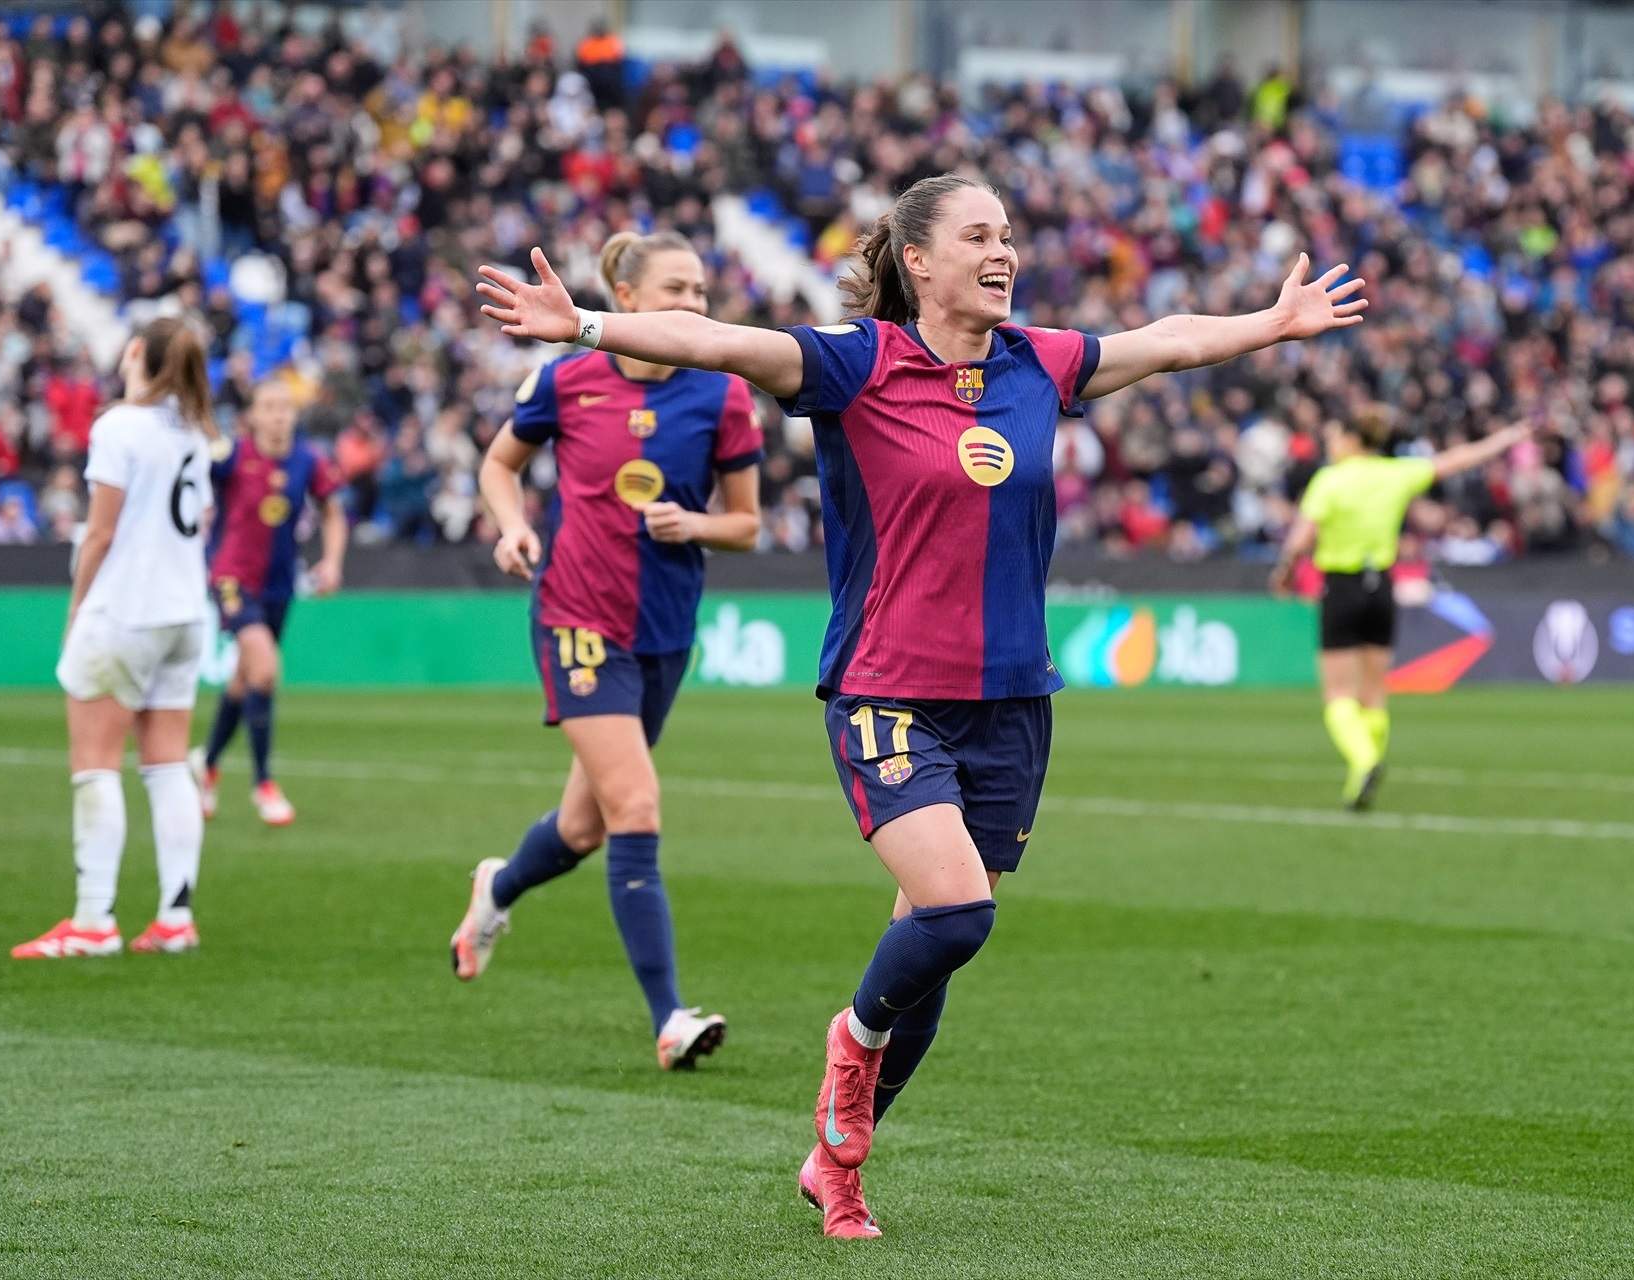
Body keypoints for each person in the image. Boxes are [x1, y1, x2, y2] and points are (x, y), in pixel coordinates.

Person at [474, 172, 1365, 1238]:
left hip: (1012, 699)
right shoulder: (859, 362)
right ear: (919, 261)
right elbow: (726, 346)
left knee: (938, 943)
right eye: (979, 235)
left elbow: (1166, 339)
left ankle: (837, 1161)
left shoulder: (1041, 361)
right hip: (887, 689)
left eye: (1010, 235)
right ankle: (849, 1041)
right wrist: (579, 321)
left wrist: (1271, 323)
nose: (1005, 252)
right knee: (956, 909)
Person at [450, 230, 764, 1073]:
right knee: (637, 808)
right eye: (676, 288)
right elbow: (498, 465)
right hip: (576, 618)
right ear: (623, 298)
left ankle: (498, 888)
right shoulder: (566, 375)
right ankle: (670, 1019)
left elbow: (747, 523)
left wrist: (694, 524)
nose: (694, 304)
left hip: (664, 630)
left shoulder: (723, 396)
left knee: (584, 827)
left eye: (701, 290)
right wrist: (514, 526)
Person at [12, 316, 220, 959]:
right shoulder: (194, 430)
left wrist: (77, 608)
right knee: (166, 765)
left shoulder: (119, 426)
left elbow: (99, 533)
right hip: (185, 612)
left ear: (135, 352)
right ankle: (174, 916)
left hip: (128, 609)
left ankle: (93, 920)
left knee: (95, 765)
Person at [1273, 410, 1529, 808]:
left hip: (1341, 586)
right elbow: (1457, 459)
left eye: (1336, 435)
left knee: (1338, 693)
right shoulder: (1396, 474)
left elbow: (1299, 538)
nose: (1331, 443)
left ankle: (1364, 760)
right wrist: (1505, 438)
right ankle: (1362, 776)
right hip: (1382, 588)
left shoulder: (1331, 480)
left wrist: (1285, 572)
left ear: (1353, 440)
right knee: (1374, 693)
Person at [190, 377, 347, 826]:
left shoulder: (307, 461)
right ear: (253, 415)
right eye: (269, 406)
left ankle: (208, 764)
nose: (278, 414)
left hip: (279, 587)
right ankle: (263, 784)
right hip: (232, 579)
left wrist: (332, 561)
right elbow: (196, 474)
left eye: (285, 407)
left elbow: (334, 510)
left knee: (243, 682)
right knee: (264, 669)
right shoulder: (234, 455)